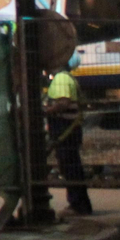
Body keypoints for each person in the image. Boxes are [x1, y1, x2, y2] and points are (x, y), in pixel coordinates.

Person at [43, 53, 92, 215]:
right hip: (69, 129)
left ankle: (78, 205)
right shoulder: (67, 77)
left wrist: (45, 111)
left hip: (65, 129)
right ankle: (81, 204)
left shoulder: (61, 78)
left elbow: (63, 102)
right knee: (73, 167)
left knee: (70, 168)